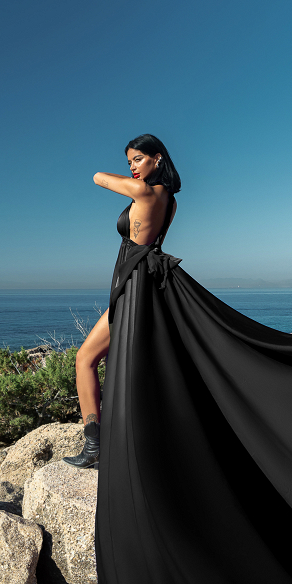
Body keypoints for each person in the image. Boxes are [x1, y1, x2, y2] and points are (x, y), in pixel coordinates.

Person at [64, 134, 180, 468]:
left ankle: (94, 447)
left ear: (158, 158)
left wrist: (131, 180)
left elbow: (97, 178)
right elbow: (154, 244)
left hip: (133, 283)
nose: (131, 167)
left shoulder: (141, 191)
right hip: (151, 281)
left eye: (138, 159)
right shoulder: (171, 202)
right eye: (128, 162)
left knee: (85, 358)